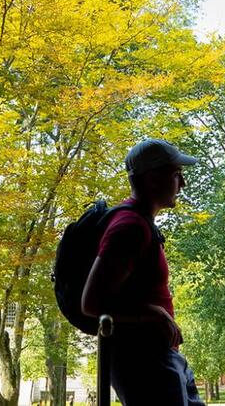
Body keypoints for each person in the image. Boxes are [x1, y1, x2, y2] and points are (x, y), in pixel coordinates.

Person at [81, 138, 204, 405]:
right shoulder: (129, 228)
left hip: (161, 359)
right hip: (144, 365)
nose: (182, 184)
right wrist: (154, 314)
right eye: (176, 175)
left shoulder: (139, 224)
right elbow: (91, 303)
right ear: (152, 179)